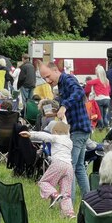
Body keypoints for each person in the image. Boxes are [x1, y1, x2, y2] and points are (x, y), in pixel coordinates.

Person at [39, 62, 91, 198]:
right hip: (82, 128)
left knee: (70, 168)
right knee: (79, 167)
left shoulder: (68, 79)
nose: (47, 80)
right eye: (44, 78)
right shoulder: (61, 85)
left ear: (56, 70)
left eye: (48, 76)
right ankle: (88, 199)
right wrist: (56, 111)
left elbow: (79, 92)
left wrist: (64, 106)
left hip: (78, 129)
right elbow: (70, 103)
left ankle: (68, 203)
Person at [20, 121, 75, 218]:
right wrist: (64, 118)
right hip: (69, 167)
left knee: (44, 182)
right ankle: (69, 214)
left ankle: (54, 194)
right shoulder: (69, 141)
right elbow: (67, 128)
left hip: (58, 163)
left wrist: (30, 134)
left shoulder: (56, 137)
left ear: (56, 132)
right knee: (66, 193)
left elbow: (44, 136)